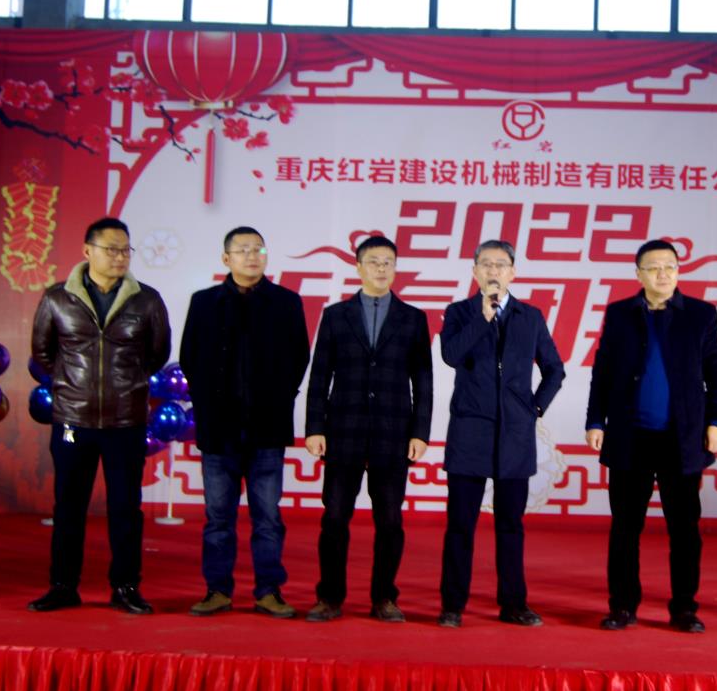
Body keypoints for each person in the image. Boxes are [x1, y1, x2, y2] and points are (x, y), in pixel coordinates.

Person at [28, 217, 171, 615]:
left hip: (126, 421)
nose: (120, 257)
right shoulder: (57, 298)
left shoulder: (146, 300)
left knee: (125, 508)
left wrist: (126, 384)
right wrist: (73, 386)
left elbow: (157, 354)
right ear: (87, 251)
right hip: (72, 421)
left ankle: (125, 587)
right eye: (111, 249)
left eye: (126, 249)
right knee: (68, 505)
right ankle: (62, 586)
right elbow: (43, 353)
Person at [585, 239, 717, 634]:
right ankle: (622, 606)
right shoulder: (620, 314)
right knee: (625, 528)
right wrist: (596, 420)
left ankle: (684, 608)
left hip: (682, 440)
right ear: (639, 274)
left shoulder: (700, 315)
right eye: (653, 267)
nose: (663, 274)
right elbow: (603, 371)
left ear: (678, 271)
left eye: (670, 266)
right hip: (630, 437)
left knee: (684, 530)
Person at [180, 226, 309, 619]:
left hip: (266, 429)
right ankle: (217, 590)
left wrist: (277, 400)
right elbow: (190, 358)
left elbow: (299, 358)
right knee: (218, 518)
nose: (252, 256)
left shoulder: (286, 302)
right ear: (226, 259)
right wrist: (209, 406)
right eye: (243, 250)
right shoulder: (205, 302)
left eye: (259, 249)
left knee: (267, 517)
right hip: (219, 430)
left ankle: (269, 591)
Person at [304, 235, 433, 623]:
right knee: (334, 518)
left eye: (388, 262)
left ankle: (384, 597)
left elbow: (423, 380)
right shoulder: (335, 315)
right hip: (343, 430)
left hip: (393, 434)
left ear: (395, 268)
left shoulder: (413, 318)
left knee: (390, 521)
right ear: (358, 266)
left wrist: (420, 432)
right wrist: (315, 427)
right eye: (374, 261)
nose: (381, 268)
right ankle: (330, 597)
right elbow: (320, 375)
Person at [437, 240, 565, 628]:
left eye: (501, 264)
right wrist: (483, 317)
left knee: (510, 525)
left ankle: (513, 604)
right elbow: (451, 356)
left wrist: (534, 409)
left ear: (513, 272)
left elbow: (554, 369)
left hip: (515, 436)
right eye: (486, 264)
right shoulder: (459, 313)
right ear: (475, 271)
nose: (493, 271)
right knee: (460, 525)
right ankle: (452, 605)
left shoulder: (531, 316)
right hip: (469, 432)